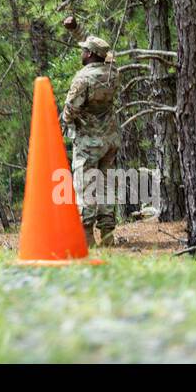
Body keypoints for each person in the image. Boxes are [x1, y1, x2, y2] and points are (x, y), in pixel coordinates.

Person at [61, 33, 120, 247]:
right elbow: (110, 57)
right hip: (110, 139)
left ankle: (87, 237)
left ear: (89, 54)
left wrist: (65, 121)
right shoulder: (114, 73)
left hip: (88, 142)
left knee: (86, 186)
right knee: (106, 184)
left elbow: (71, 109)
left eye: (84, 50)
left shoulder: (83, 78)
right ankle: (107, 234)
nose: (81, 53)